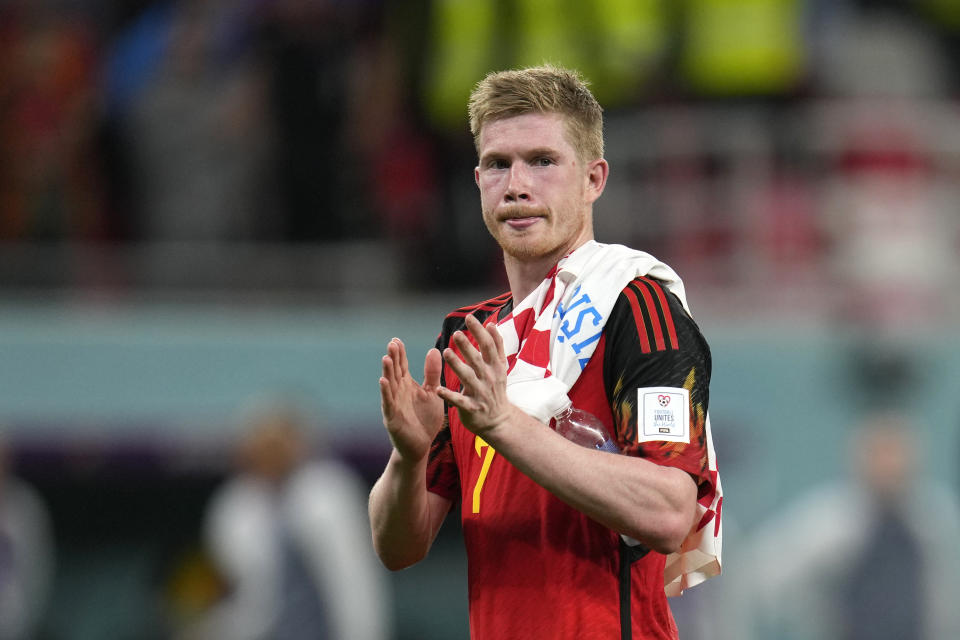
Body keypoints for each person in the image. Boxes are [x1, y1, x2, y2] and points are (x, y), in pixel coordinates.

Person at [368, 64, 722, 639]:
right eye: (497, 164)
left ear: (594, 178)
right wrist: (407, 460)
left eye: (542, 161)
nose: (516, 185)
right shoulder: (470, 337)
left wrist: (504, 422)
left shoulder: (638, 309)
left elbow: (668, 511)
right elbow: (397, 549)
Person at [740, 411, 960, 640]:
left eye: (898, 453)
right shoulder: (830, 522)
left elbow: (943, 603)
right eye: (881, 453)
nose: (891, 465)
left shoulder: (933, 521)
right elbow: (760, 576)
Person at [194, 398, 390, 640]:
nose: (270, 453)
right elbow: (253, 605)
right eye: (261, 444)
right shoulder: (236, 507)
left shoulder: (328, 492)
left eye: (279, 442)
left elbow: (355, 590)